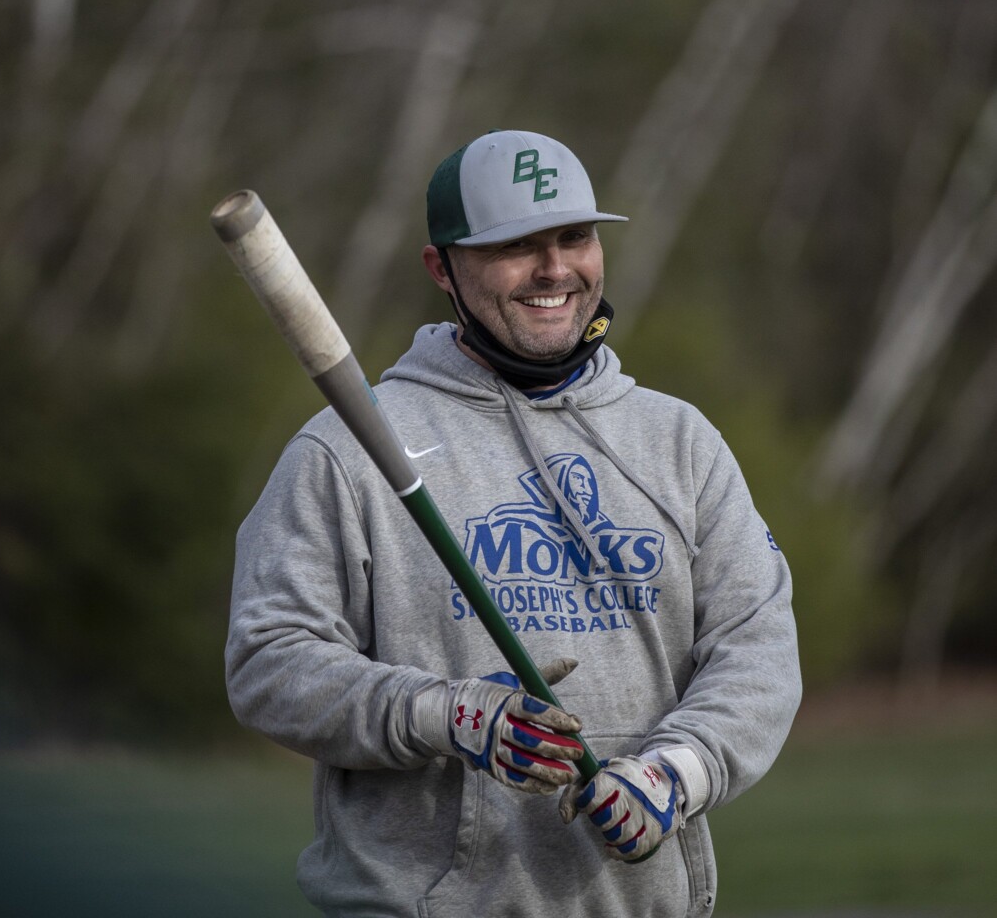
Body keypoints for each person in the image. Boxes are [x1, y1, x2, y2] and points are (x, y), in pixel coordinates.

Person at [225, 129, 800, 917]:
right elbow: (268, 662)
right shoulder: (348, 449)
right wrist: (445, 713)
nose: (555, 269)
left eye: (574, 237)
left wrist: (678, 773)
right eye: (516, 246)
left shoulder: (680, 444)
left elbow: (759, 647)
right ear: (442, 268)